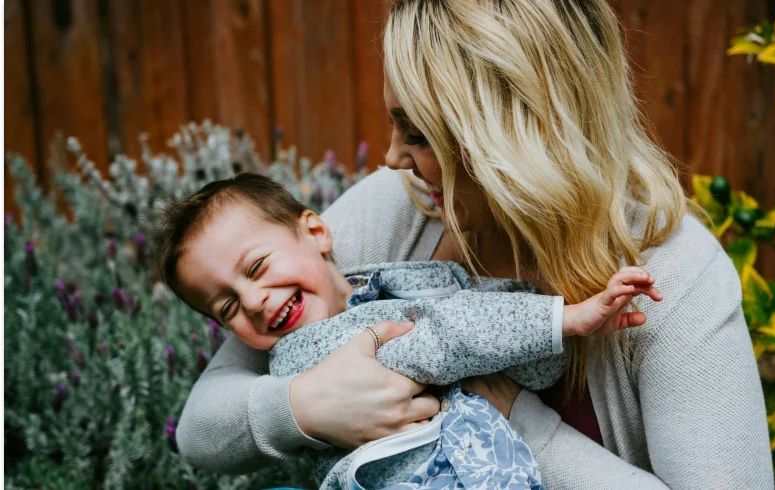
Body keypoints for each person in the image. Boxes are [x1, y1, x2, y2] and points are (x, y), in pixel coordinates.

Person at [176, 0, 774, 488]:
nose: (392, 157)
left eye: (417, 135)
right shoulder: (402, 206)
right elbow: (202, 425)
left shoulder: (674, 274)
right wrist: (306, 407)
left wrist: (514, 419)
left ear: (514, 137)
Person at [158, 174, 661, 489]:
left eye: (257, 268)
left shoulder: (389, 286)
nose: (253, 302)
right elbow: (442, 338)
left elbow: (517, 361)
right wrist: (564, 319)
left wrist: (540, 345)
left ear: (316, 232)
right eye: (227, 307)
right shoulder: (307, 353)